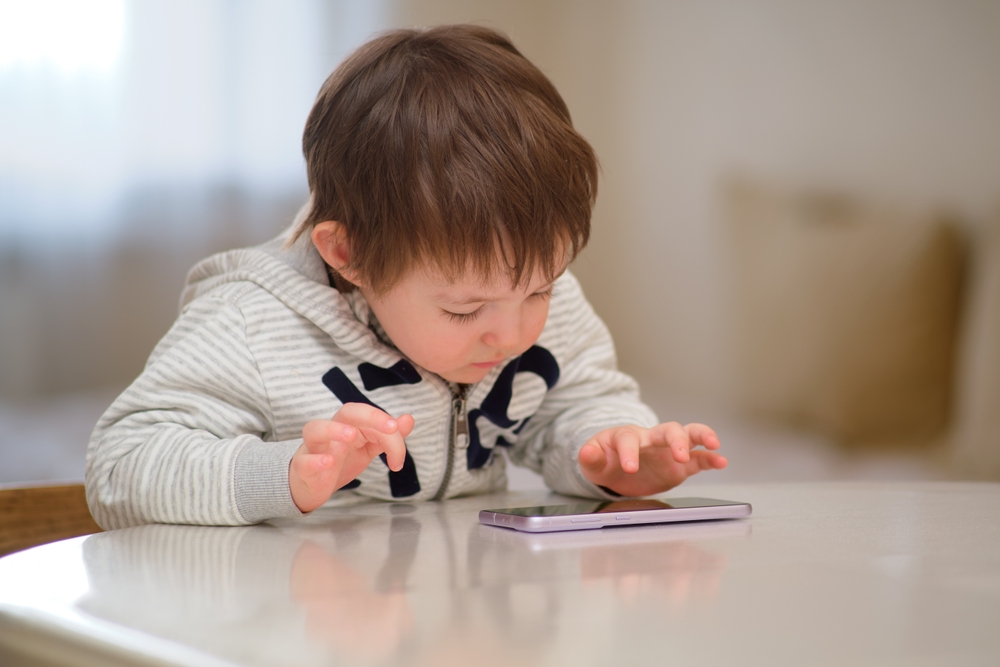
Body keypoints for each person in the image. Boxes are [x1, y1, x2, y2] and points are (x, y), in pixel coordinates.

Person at [85, 24, 726, 529]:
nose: (514, 334)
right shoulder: (251, 323)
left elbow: (575, 406)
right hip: (300, 621)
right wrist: (278, 475)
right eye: (463, 311)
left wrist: (615, 455)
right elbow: (119, 467)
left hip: (463, 607)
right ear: (347, 255)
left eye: (541, 288)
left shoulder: (519, 300)